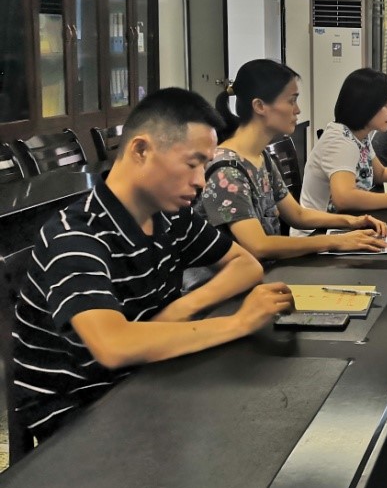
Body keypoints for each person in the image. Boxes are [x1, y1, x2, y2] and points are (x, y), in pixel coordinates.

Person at [12, 88, 294, 441]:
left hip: (145, 376)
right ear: (141, 150)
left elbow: (246, 264)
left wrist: (181, 309)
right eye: (192, 163)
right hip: (79, 412)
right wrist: (239, 322)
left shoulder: (170, 215)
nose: (200, 180)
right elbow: (113, 346)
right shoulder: (75, 235)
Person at [194, 59, 387, 262]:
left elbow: (297, 215)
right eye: (291, 101)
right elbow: (259, 246)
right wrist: (335, 241)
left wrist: (351, 221)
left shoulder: (261, 157)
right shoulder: (226, 170)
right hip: (241, 279)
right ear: (260, 106)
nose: (297, 110)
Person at [295, 68, 387, 232]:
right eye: (385, 104)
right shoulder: (339, 141)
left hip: (345, 224)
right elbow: (344, 198)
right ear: (365, 105)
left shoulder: (359, 135)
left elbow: (380, 173)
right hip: (319, 233)